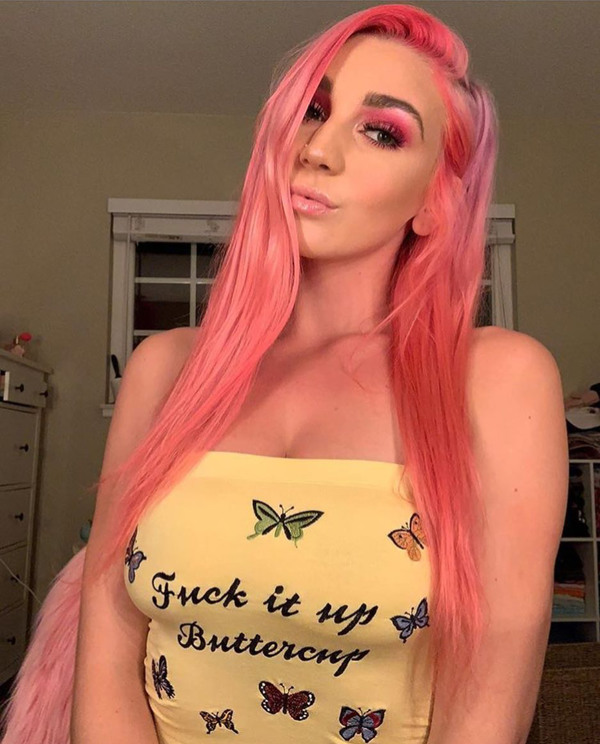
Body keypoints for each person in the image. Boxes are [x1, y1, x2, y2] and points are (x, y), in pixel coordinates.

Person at [0, 4, 569, 744]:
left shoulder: (499, 379)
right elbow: (107, 645)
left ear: (436, 200)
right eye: (312, 111)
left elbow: (487, 711)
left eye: (381, 131)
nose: (318, 150)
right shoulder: (165, 368)